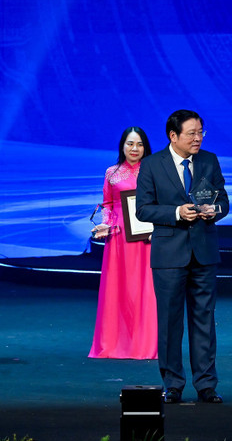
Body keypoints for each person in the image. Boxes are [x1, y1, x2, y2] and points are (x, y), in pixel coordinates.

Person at [136, 109, 229, 405]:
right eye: (192, 133)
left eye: (201, 132)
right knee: (170, 322)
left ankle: (206, 384)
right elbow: (143, 209)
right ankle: (173, 383)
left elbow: (223, 200)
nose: (198, 138)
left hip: (204, 252)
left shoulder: (209, 160)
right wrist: (176, 212)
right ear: (173, 136)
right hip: (169, 255)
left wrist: (215, 211)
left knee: (204, 321)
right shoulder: (152, 164)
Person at [89, 127, 158, 360]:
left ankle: (144, 345)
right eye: (130, 143)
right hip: (118, 238)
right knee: (118, 290)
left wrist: (157, 228)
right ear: (122, 146)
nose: (134, 149)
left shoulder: (154, 171)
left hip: (146, 238)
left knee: (145, 289)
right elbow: (108, 204)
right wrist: (105, 224)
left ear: (145, 147)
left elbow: (161, 204)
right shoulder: (112, 172)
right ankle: (113, 344)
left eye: (139, 144)